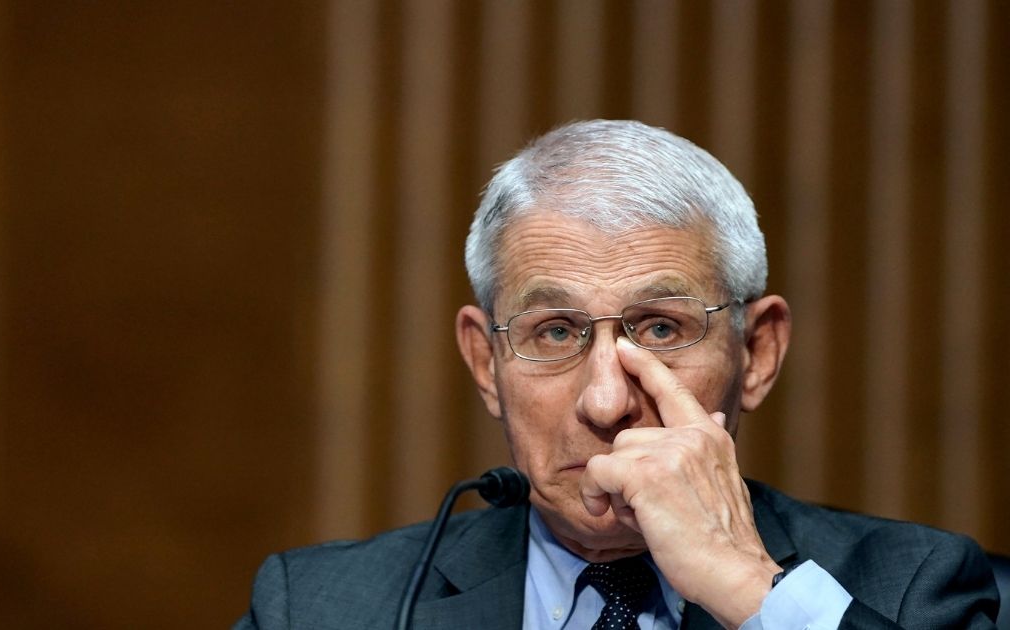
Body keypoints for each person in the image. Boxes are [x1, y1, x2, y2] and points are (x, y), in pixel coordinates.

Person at [234, 120, 999, 629]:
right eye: (555, 331)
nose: (605, 401)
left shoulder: (913, 588)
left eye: (661, 328)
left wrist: (750, 589)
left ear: (757, 354)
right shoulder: (321, 609)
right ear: (485, 362)